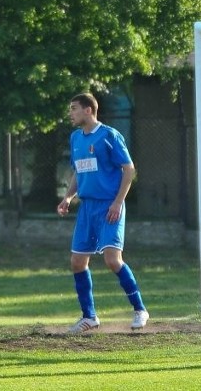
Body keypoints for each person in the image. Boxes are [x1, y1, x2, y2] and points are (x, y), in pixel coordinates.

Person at [57, 92, 149, 333]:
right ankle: (89, 316)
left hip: (109, 205)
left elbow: (128, 170)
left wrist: (118, 202)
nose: (71, 113)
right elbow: (79, 171)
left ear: (88, 110)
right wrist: (68, 197)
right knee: (77, 262)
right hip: (87, 208)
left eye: (74, 108)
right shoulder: (76, 137)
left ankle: (140, 309)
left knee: (112, 260)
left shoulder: (109, 136)